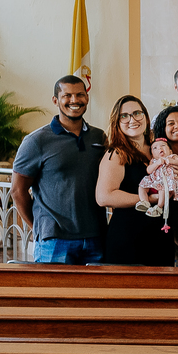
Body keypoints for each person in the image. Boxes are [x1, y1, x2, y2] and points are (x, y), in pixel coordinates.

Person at [12, 76, 107, 263]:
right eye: (67, 95)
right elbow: (17, 190)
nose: (74, 100)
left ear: (87, 98)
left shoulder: (99, 136)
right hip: (54, 241)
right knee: (52, 285)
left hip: (96, 237)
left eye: (80, 95)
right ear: (55, 100)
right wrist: (39, 228)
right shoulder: (36, 141)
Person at [96, 96, 178, 266]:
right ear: (117, 122)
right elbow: (104, 197)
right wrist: (148, 199)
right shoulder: (116, 154)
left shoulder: (158, 150)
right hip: (128, 237)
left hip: (160, 235)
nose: (132, 120)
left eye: (137, 113)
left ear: (146, 118)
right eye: (124, 116)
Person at [153, 105, 178, 263]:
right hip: (167, 220)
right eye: (171, 123)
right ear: (162, 128)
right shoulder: (155, 157)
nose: (177, 126)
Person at [135, 137, 178, 224]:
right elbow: (149, 170)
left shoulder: (172, 157)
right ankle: (144, 202)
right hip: (154, 181)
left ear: (170, 151)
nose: (159, 148)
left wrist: (171, 161)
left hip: (166, 181)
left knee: (162, 188)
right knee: (142, 186)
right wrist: (157, 163)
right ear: (152, 154)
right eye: (155, 148)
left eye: (163, 145)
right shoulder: (154, 161)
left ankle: (159, 207)